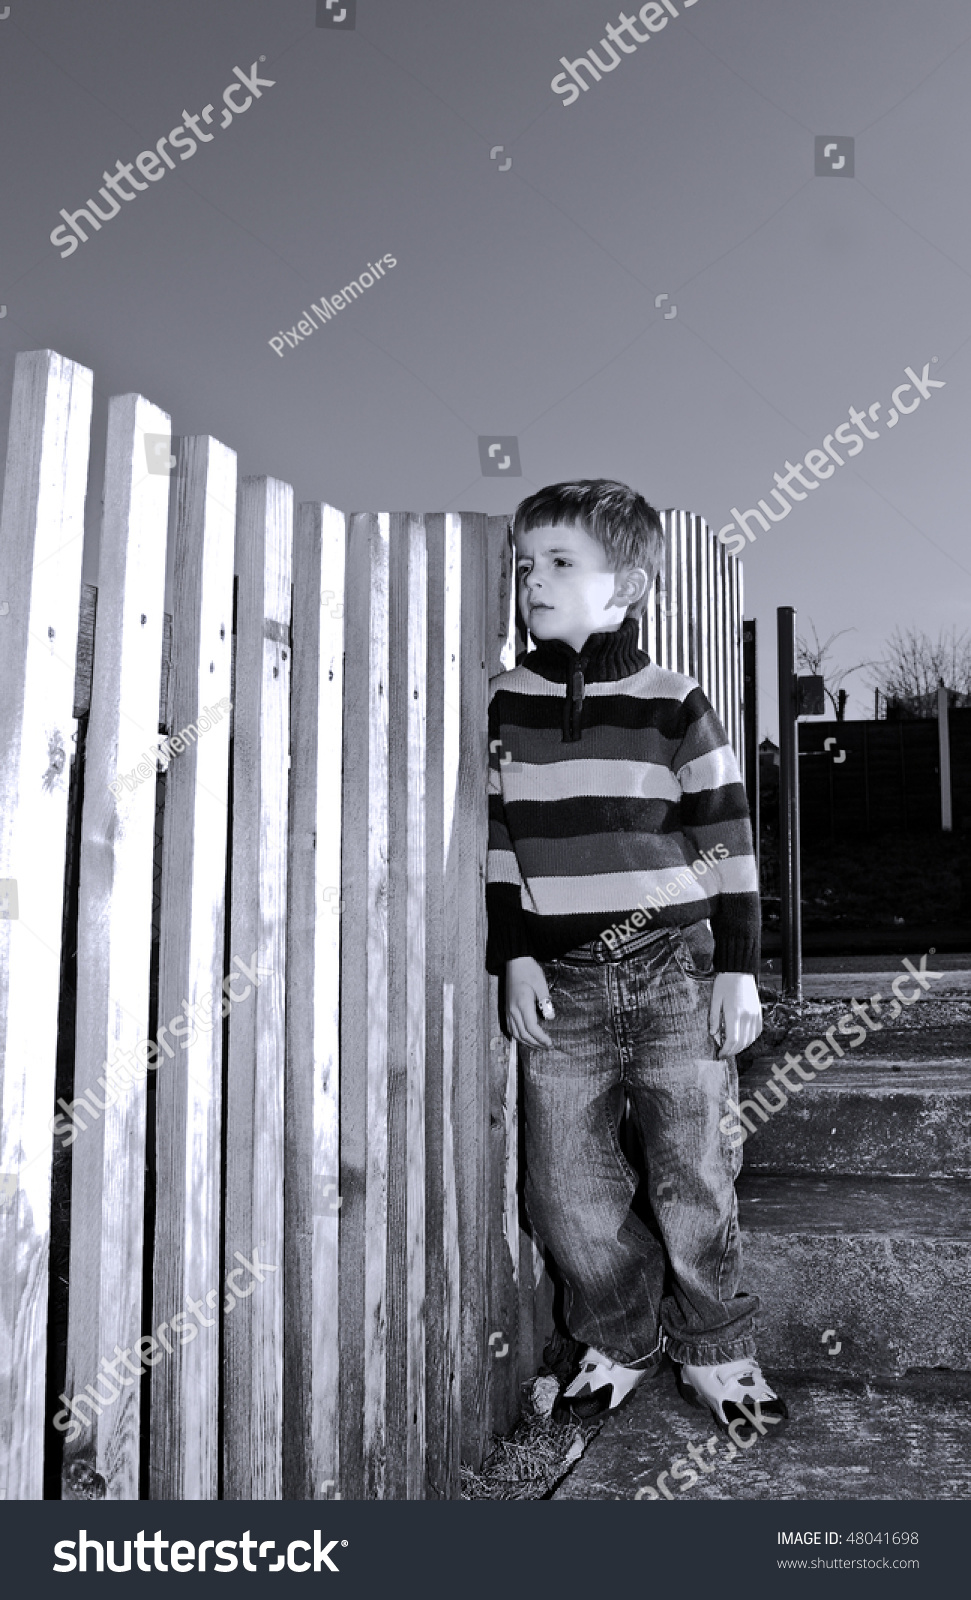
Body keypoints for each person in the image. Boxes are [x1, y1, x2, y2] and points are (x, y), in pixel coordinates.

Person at [485, 479, 787, 1435]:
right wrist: (514, 956)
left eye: (559, 562)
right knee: (564, 1187)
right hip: (562, 985)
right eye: (524, 563)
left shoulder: (673, 705)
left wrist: (737, 966)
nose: (532, 579)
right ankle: (620, 1333)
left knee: (693, 1170)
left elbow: (727, 839)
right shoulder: (506, 703)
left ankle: (717, 1345)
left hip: (673, 972)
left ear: (628, 588)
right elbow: (500, 844)